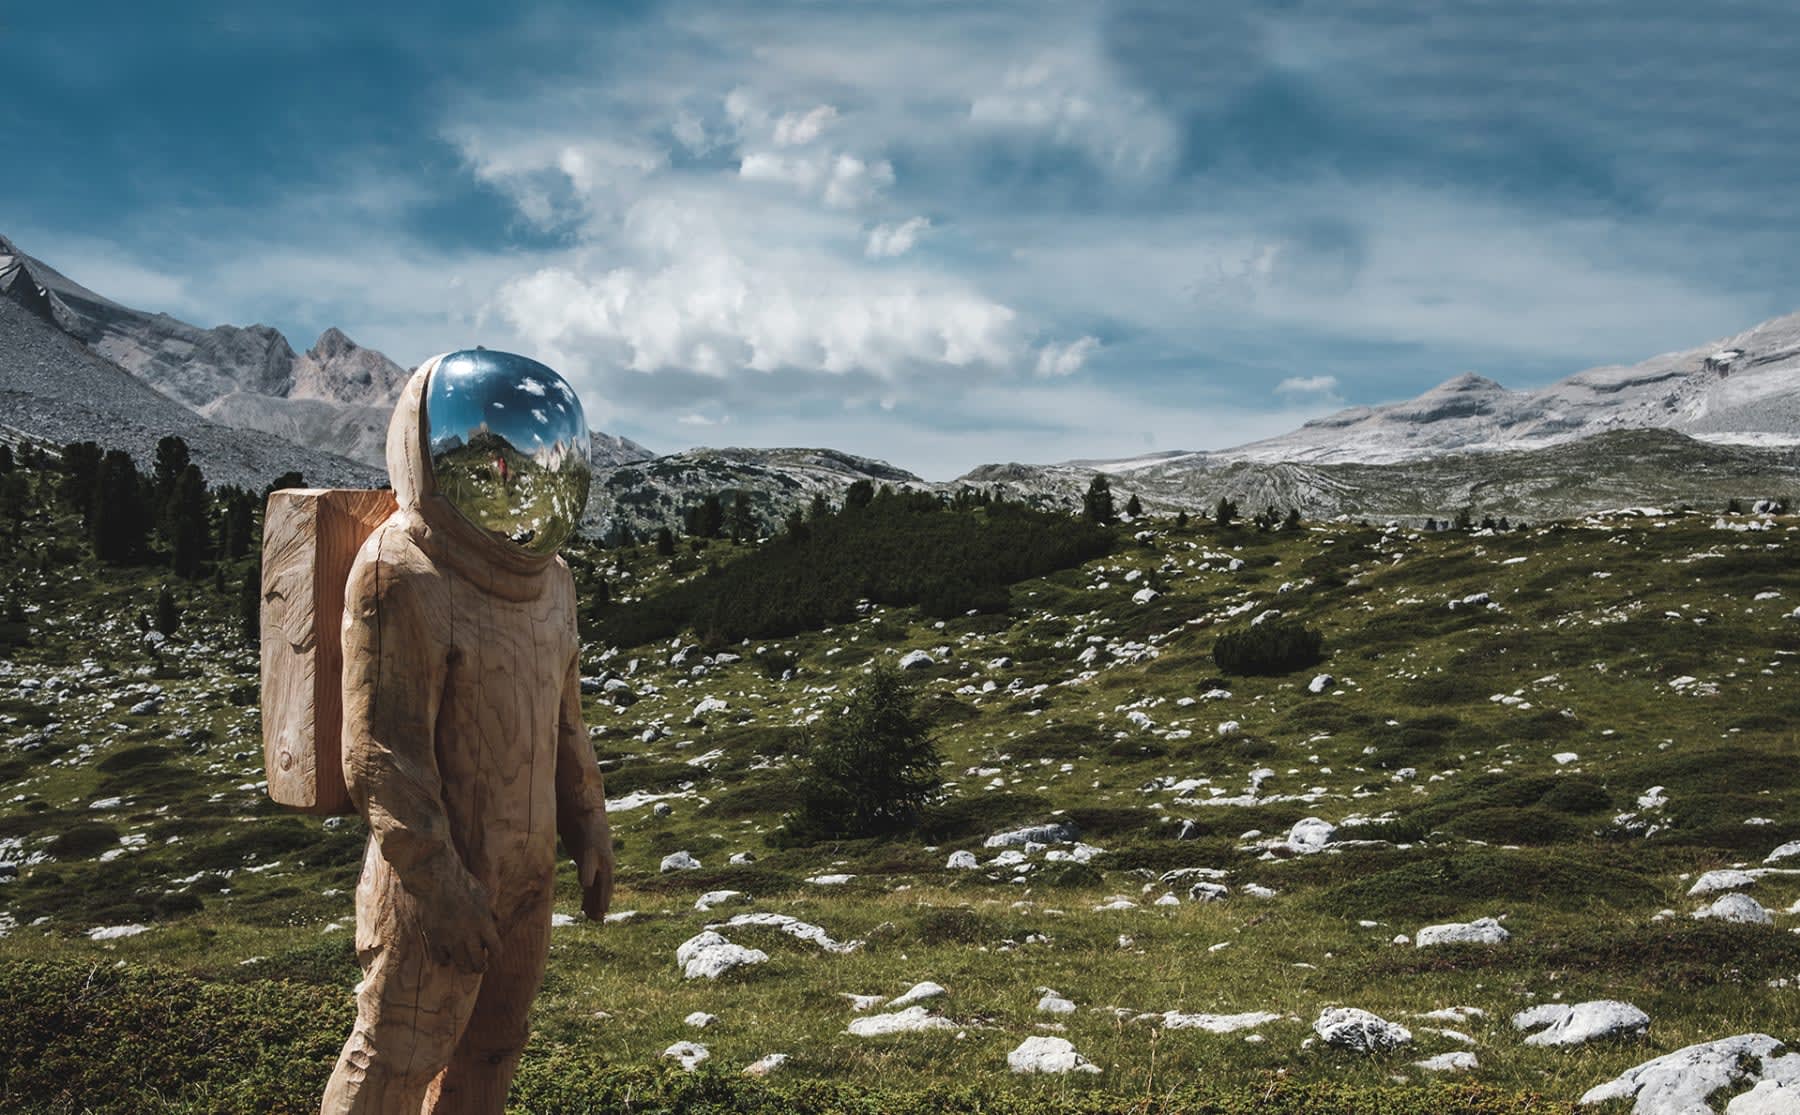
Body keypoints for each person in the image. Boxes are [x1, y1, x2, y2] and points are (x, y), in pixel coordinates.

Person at [321, 349, 611, 1114]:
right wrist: (441, 885)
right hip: (432, 882)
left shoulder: (552, 583)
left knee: (493, 1047)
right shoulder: (402, 572)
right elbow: (381, 756)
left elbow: (566, 720)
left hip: (527, 871)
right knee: (396, 1052)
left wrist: (589, 822)